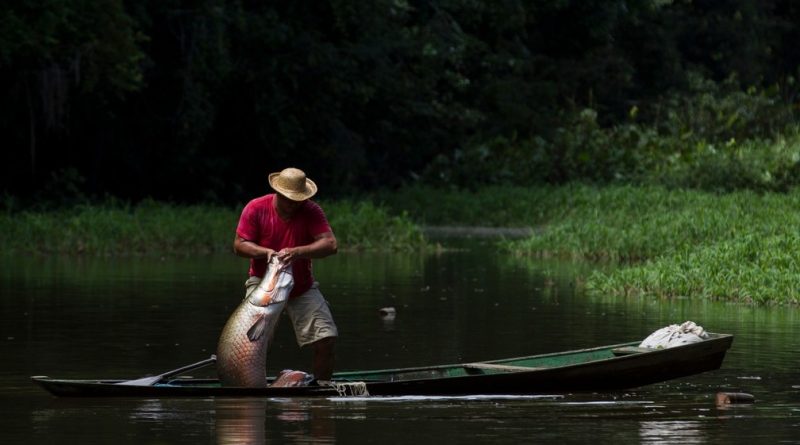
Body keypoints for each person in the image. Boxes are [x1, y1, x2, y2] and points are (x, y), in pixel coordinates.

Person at [233, 167, 338, 383]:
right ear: (278, 194)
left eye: (298, 200)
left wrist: (298, 251)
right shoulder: (256, 207)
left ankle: (322, 389)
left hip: (300, 285)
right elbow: (239, 245)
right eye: (289, 199)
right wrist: (266, 253)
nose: (293, 204)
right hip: (263, 284)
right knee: (250, 342)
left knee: (325, 338)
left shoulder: (311, 211)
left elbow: (330, 244)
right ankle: (248, 387)